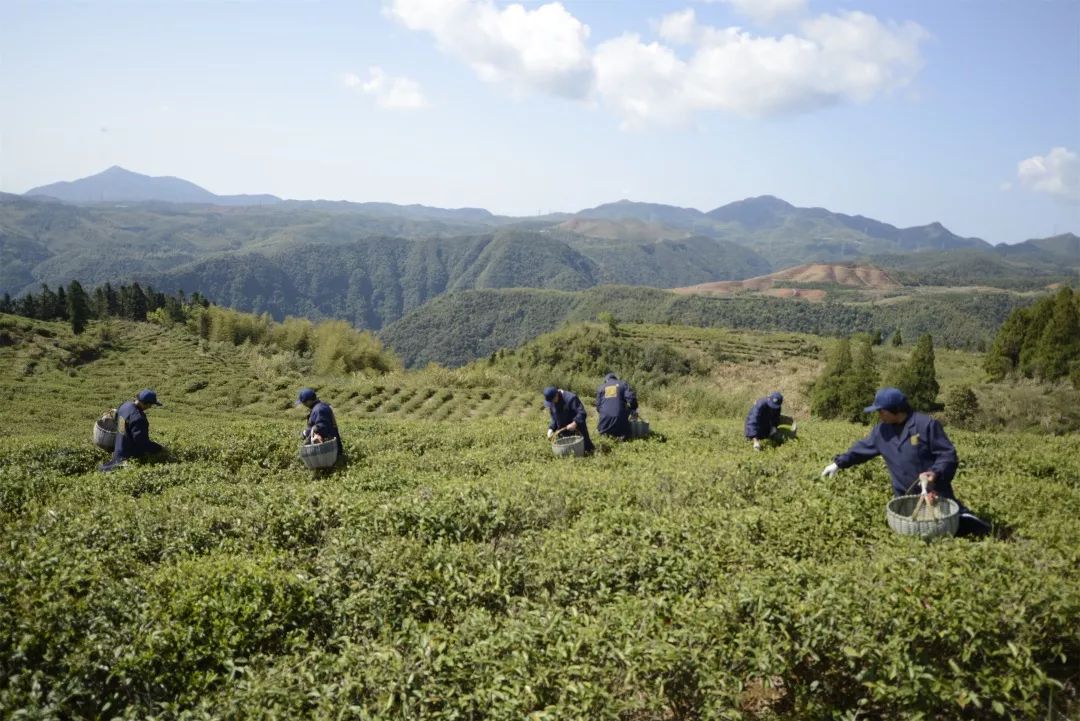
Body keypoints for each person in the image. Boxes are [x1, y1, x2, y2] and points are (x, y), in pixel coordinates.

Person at [820, 387, 991, 537]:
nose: (878, 415)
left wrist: (935, 472)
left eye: (881, 411)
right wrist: (838, 463)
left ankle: (983, 529)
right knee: (914, 535)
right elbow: (861, 450)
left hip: (935, 492)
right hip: (904, 496)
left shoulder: (925, 425)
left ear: (896, 410)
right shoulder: (881, 431)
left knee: (953, 526)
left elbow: (947, 454)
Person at [100, 389, 166, 471]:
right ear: (146, 403)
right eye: (150, 404)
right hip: (128, 457)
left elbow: (117, 419)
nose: (150, 407)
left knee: (111, 468)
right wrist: (160, 448)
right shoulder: (138, 418)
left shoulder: (125, 405)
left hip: (118, 450)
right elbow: (142, 443)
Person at [297, 388, 345, 462]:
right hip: (330, 449)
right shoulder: (320, 406)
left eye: (304, 402)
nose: (304, 405)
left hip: (328, 450)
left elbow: (321, 427)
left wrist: (306, 433)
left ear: (309, 401)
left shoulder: (319, 409)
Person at [543, 386, 594, 454]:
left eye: (552, 401)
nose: (552, 403)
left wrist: (575, 423)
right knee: (568, 454)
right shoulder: (552, 402)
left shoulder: (571, 398)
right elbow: (554, 418)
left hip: (578, 431)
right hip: (564, 434)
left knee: (586, 451)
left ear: (556, 395)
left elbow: (582, 413)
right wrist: (551, 428)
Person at [595, 372, 638, 440]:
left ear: (606, 380)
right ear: (615, 378)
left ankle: (605, 431)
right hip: (620, 419)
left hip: (604, 423)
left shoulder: (601, 387)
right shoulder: (623, 384)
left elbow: (597, 407)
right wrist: (633, 408)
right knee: (631, 410)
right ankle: (623, 432)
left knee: (603, 414)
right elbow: (632, 399)